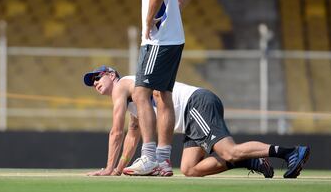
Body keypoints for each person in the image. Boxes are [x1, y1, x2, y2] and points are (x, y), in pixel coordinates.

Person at [83, 66, 310, 178]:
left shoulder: (122, 86)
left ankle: (290, 152)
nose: (95, 83)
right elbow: (132, 137)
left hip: (196, 104)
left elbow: (116, 132)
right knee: (189, 169)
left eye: (97, 77)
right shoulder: (135, 100)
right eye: (91, 82)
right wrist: (117, 170)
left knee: (229, 150)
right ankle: (251, 162)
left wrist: (108, 168)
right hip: (190, 116)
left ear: (111, 75)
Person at [131, 0, 194, 176]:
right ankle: (163, 160)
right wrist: (172, 15)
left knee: (141, 93)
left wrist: (149, 21)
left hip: (158, 41)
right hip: (175, 39)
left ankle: (148, 157)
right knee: (162, 94)